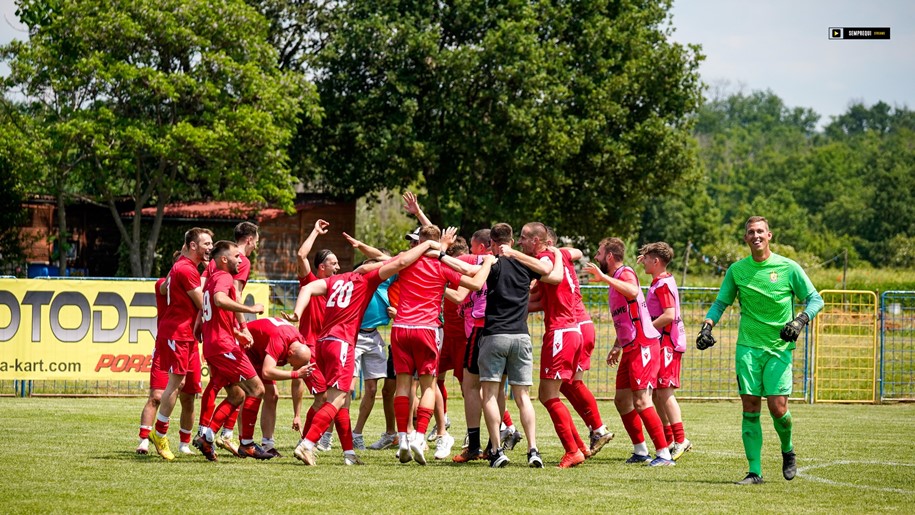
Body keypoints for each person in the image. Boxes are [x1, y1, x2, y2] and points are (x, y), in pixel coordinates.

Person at [291, 237, 464, 466]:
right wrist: (430, 245)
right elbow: (399, 262)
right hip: (342, 342)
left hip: (324, 342)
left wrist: (296, 313)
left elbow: (308, 288)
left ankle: (349, 453)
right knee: (337, 398)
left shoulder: (337, 280)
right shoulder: (367, 279)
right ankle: (307, 443)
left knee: (339, 398)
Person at [697, 216, 823, 485]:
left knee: (778, 408)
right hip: (748, 348)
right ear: (745, 238)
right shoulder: (737, 270)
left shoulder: (788, 267)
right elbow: (720, 303)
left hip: (779, 348)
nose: (756, 236)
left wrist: (800, 321)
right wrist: (706, 327)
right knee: (750, 407)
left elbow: (815, 299)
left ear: (769, 235)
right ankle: (755, 472)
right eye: (751, 232)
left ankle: (788, 449)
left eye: (760, 231)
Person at [390, 225, 492, 465]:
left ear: (420, 241)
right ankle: (419, 437)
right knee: (429, 386)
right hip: (427, 328)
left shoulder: (405, 261)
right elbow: (475, 283)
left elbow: (381, 264)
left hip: (401, 326)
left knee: (403, 385)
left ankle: (403, 438)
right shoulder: (442, 265)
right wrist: (488, 262)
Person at [586, 237, 674, 467]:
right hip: (629, 347)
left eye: (599, 253)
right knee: (622, 400)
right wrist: (617, 345)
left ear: (609, 256)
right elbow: (626, 318)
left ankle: (664, 454)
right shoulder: (616, 279)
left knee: (642, 401)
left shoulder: (624, 273)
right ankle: (641, 451)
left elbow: (633, 291)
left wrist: (603, 276)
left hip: (643, 345)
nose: (595, 257)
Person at [512, 222, 588, 468]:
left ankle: (573, 450)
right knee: (551, 393)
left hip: (561, 332)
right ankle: (579, 447)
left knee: (548, 395)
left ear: (536, 241)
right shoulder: (558, 255)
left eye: (523, 238)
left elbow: (551, 274)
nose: (520, 242)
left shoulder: (545, 259)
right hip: (571, 330)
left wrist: (513, 254)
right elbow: (575, 253)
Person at [538, 226, 615, 457]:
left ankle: (597, 430)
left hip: (574, 326)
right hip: (579, 325)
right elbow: (577, 251)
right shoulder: (561, 257)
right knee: (562, 386)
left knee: (569, 385)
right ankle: (583, 442)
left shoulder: (550, 259)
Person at [191, 240, 267, 461]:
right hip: (224, 346)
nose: (240, 260)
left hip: (214, 346)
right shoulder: (224, 277)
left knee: (237, 394)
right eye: (236, 256)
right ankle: (247, 444)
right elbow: (219, 300)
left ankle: (207, 437)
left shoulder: (212, 279)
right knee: (257, 389)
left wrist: (236, 331)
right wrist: (250, 309)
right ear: (224, 259)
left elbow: (210, 312)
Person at [148, 228, 213, 461]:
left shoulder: (185, 268)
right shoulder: (185, 268)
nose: (210, 247)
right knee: (175, 384)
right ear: (193, 246)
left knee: (188, 389)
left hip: (185, 335)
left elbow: (167, 289)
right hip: (178, 334)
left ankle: (181, 440)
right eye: (206, 243)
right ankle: (158, 434)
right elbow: (203, 303)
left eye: (212, 243)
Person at [136, 266, 199, 456]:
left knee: (189, 397)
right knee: (156, 395)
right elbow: (165, 288)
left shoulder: (194, 284)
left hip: (191, 344)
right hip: (169, 342)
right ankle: (145, 439)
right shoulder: (164, 283)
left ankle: (184, 443)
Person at [638, 242, 691, 460]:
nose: (643, 262)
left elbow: (669, 314)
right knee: (659, 392)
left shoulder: (662, 284)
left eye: (646, 259)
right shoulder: (660, 281)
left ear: (656, 261)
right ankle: (669, 440)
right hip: (662, 342)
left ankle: (681, 439)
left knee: (665, 392)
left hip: (668, 343)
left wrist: (647, 328)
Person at [236, 316, 313, 458]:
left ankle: (268, 446)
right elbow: (267, 372)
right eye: (291, 363)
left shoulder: (300, 344)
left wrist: (297, 415)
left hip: (259, 352)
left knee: (272, 396)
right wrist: (295, 373)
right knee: (246, 393)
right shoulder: (279, 341)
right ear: (289, 353)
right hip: (245, 348)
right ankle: (241, 440)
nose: (290, 365)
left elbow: (297, 381)